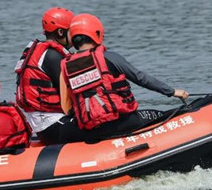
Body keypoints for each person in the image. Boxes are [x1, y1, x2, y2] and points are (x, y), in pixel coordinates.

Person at [57, 13, 189, 143]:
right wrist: (172, 91)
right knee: (159, 115)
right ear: (96, 34)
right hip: (120, 122)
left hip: (91, 129)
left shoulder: (66, 66)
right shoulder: (108, 57)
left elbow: (67, 106)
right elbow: (140, 78)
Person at [14, 7, 74, 144]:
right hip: (54, 126)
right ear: (60, 32)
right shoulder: (53, 56)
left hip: (42, 125)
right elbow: (71, 98)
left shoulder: (42, 52)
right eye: (72, 32)